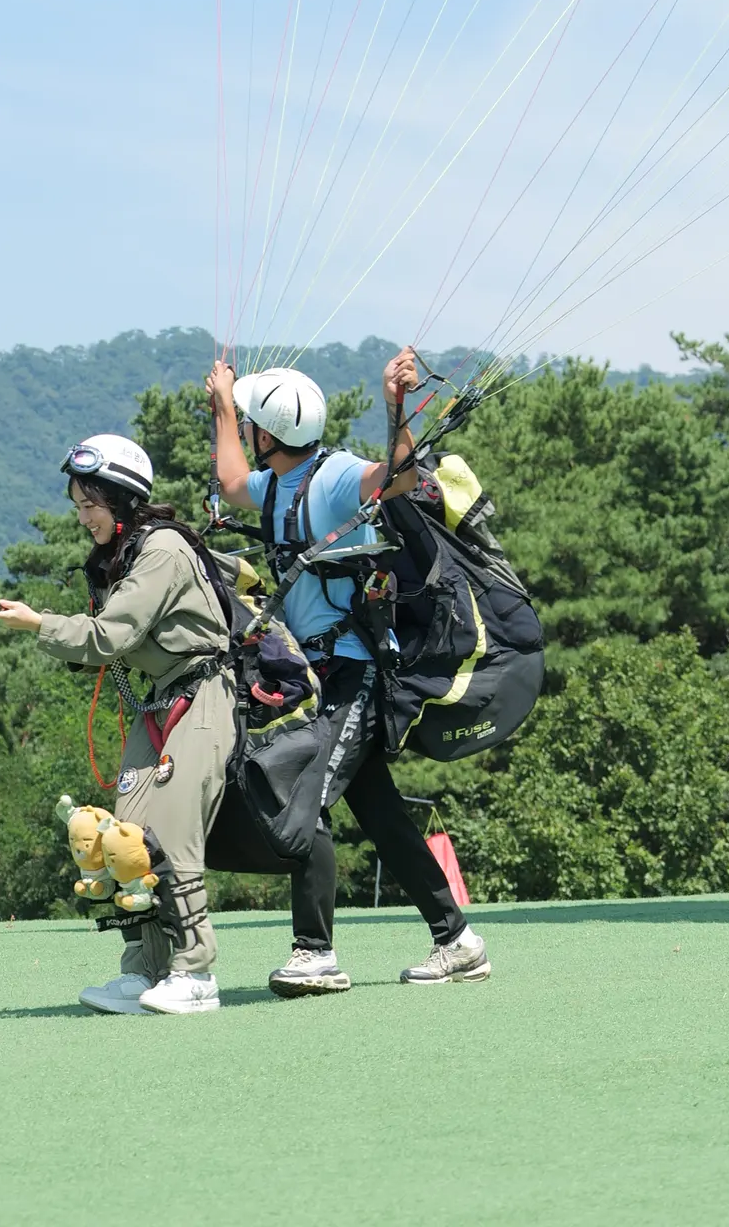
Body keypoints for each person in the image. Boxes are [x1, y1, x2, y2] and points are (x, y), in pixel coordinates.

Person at [0, 429, 333, 1015]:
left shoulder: (163, 550)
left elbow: (111, 635)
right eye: (78, 506)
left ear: (123, 500)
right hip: (160, 701)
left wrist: (38, 624)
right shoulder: (121, 556)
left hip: (205, 694)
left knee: (172, 834)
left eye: (91, 504)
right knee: (118, 840)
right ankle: (144, 969)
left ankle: (195, 973)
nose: (84, 518)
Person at [208, 347, 491, 988]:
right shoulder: (274, 485)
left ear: (269, 434)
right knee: (380, 813)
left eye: (251, 423)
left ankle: (315, 952)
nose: (246, 433)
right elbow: (230, 482)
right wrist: (223, 404)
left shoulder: (332, 476)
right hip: (316, 676)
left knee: (302, 796)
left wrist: (397, 408)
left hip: (352, 671)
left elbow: (397, 480)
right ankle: (458, 940)